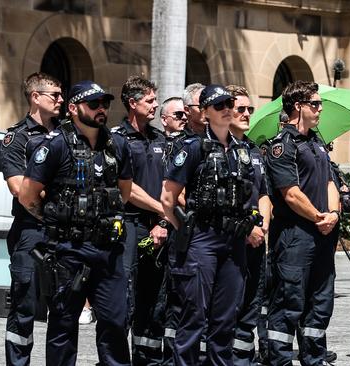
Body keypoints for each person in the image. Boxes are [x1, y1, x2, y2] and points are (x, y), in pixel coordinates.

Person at [18, 80, 132, 365]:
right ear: (72, 108)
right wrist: (56, 220)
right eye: (93, 104)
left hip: (108, 249)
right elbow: (27, 195)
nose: (101, 109)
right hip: (68, 249)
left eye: (104, 104)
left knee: (115, 322)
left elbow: (125, 191)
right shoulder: (55, 144)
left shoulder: (117, 144)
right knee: (63, 324)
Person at [161, 84, 259, 365]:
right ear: (204, 112)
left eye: (230, 103)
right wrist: (186, 231)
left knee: (225, 319)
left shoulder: (242, 150)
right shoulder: (192, 148)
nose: (228, 109)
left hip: (234, 241)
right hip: (201, 238)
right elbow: (167, 198)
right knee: (193, 318)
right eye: (220, 105)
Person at [265, 81, 340, 366]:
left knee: (320, 303)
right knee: (288, 303)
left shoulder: (316, 143)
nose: (320, 109)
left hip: (322, 234)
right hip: (295, 235)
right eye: (315, 104)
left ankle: (314, 359)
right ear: (298, 106)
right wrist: (319, 217)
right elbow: (291, 193)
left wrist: (332, 213)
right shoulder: (282, 146)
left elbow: (331, 181)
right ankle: (281, 361)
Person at [0, 72, 62, 365]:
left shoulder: (66, 134)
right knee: (24, 304)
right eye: (55, 95)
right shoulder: (17, 137)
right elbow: (19, 189)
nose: (61, 100)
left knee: (63, 307)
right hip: (31, 230)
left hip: (64, 232)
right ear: (35, 97)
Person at [112, 75, 169, 364]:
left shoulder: (160, 139)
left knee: (153, 297)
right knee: (124, 298)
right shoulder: (117, 139)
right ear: (132, 103)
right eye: (149, 100)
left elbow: (168, 183)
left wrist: (162, 222)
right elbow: (127, 187)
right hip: (129, 227)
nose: (156, 105)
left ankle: (148, 359)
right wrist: (161, 209)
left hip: (156, 228)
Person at [225, 84, 272, 366]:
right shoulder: (216, 148)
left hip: (256, 239)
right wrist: (247, 229)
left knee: (250, 307)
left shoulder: (252, 150)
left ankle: (243, 359)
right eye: (240, 109)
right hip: (230, 241)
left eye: (249, 109)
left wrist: (262, 227)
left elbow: (264, 193)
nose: (246, 114)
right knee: (226, 307)